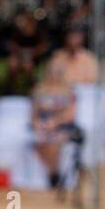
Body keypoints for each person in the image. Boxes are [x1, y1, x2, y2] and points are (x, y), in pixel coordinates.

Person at [31, 60, 76, 188]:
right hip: (43, 126)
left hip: (61, 126)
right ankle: (52, 172)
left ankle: (53, 174)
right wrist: (37, 123)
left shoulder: (68, 91)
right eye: (51, 72)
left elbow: (70, 115)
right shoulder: (39, 89)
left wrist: (55, 122)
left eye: (56, 73)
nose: (53, 75)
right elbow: (33, 112)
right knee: (41, 142)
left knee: (53, 143)